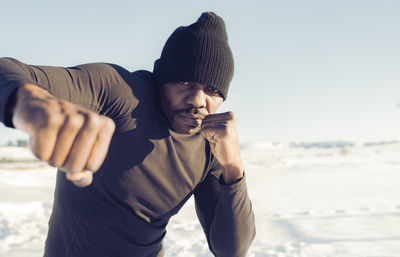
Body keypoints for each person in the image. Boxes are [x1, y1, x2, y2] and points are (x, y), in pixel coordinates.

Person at [0, 12, 255, 257]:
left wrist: (233, 167)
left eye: (212, 90)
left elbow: (230, 250)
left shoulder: (210, 145)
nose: (198, 100)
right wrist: (31, 99)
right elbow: (7, 70)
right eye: (185, 83)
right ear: (161, 78)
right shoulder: (120, 94)